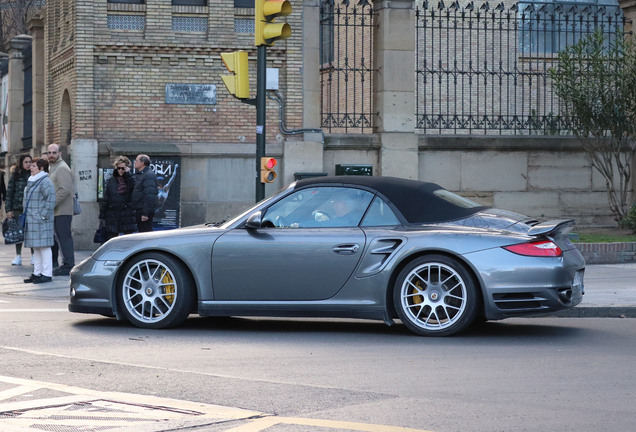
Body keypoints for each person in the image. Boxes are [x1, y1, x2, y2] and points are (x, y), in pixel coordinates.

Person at [22, 158, 56, 284]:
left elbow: (51, 200)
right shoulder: (32, 180)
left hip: (41, 220)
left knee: (44, 247)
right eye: (31, 166)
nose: (31, 167)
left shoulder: (45, 181)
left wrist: (42, 216)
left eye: (34, 166)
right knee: (36, 247)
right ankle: (37, 272)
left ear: (41, 168)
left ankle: (46, 274)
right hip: (32, 220)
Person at [47, 143, 75, 276]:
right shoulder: (53, 167)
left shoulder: (62, 168)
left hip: (62, 210)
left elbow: (64, 190)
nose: (51, 155)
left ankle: (69, 265)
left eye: (54, 152)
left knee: (64, 238)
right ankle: (66, 264)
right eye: (49, 153)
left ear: (60, 154)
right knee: (60, 238)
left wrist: (51, 203)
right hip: (57, 210)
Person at [99, 156, 137, 241]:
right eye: (118, 168)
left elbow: (133, 188)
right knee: (112, 238)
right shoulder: (111, 180)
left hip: (127, 213)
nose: (120, 170)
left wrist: (128, 175)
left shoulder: (131, 179)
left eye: (123, 168)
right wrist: (102, 214)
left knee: (128, 239)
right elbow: (106, 197)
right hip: (113, 213)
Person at [5, 154, 33, 266]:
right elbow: (9, 193)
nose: (28, 164)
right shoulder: (15, 175)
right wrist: (8, 209)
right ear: (21, 163)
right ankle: (18, 255)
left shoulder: (33, 174)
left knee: (31, 232)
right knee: (18, 232)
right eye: (26, 162)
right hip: (17, 208)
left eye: (30, 162)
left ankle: (34, 255)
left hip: (31, 208)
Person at [131, 154, 158, 232]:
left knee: (145, 232)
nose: (134, 162)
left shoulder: (148, 175)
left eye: (136, 161)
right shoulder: (141, 174)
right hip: (139, 209)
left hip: (143, 210)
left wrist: (145, 213)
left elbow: (150, 195)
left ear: (142, 163)